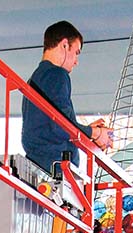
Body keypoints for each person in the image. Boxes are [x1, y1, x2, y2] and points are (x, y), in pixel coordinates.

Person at [21, 21, 113, 175]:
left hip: (40, 165)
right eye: (76, 52)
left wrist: (86, 131)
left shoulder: (36, 78)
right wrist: (96, 133)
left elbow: (54, 127)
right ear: (64, 45)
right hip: (55, 170)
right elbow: (61, 127)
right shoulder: (57, 74)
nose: (76, 61)